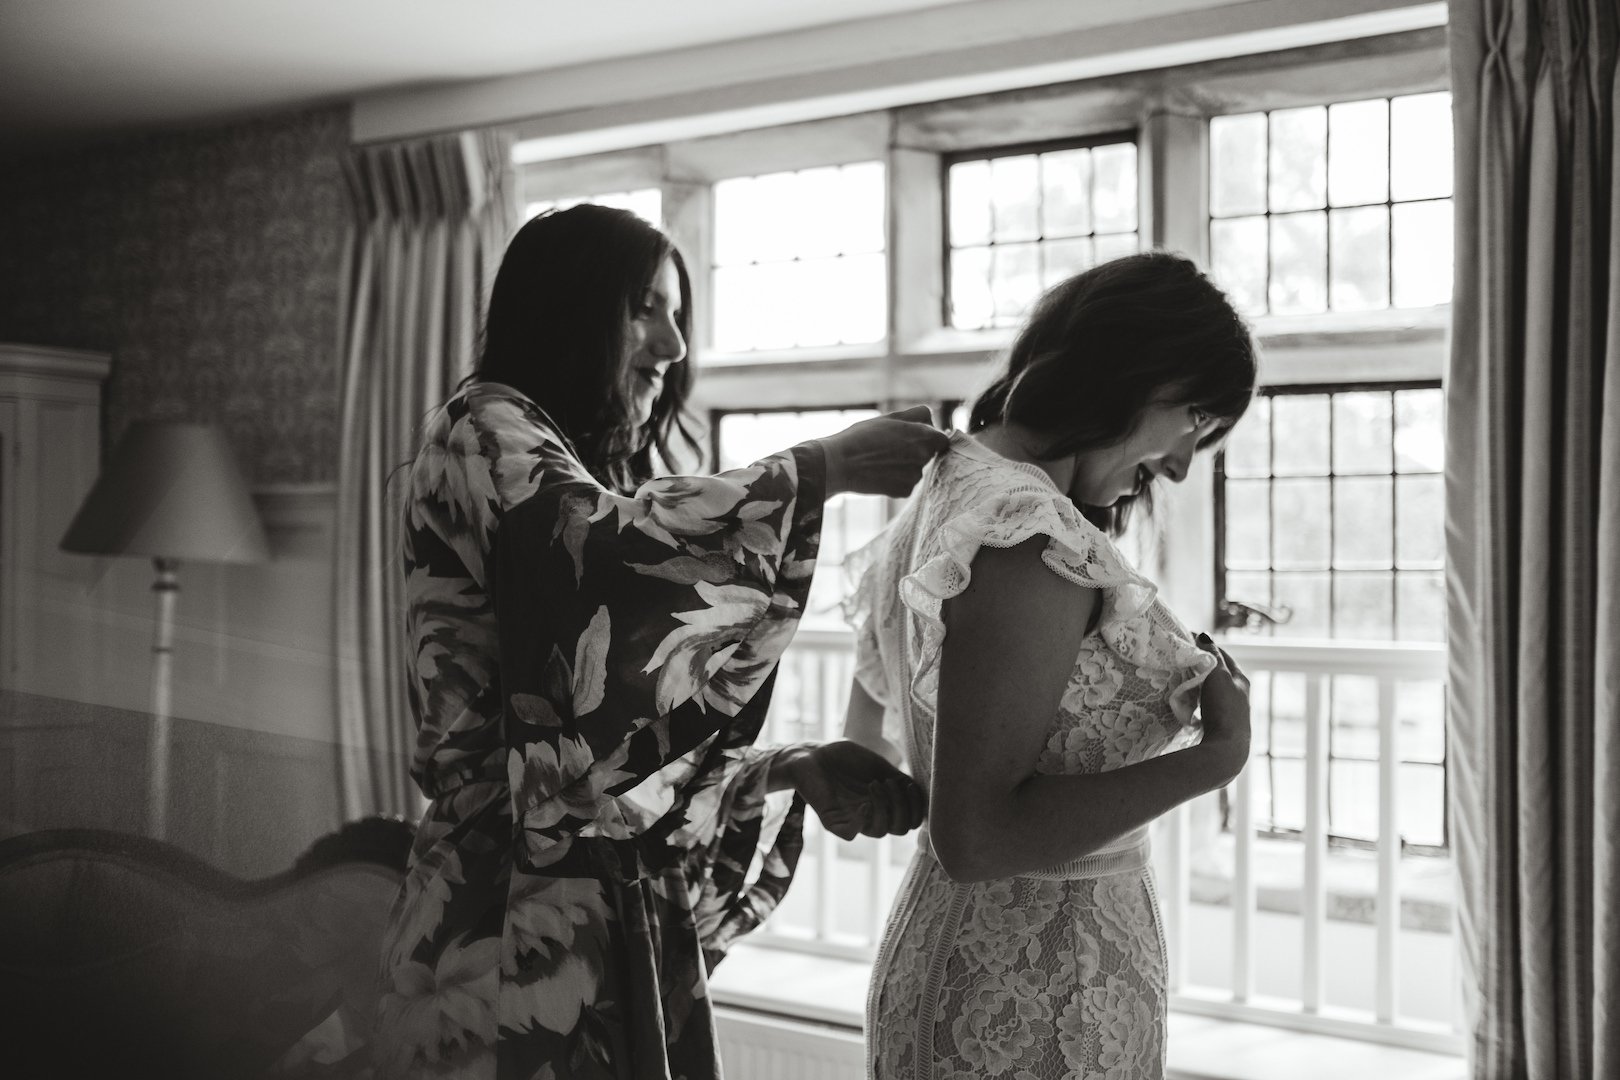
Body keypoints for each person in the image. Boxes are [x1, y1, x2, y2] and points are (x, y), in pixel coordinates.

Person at [374, 204, 944, 1079]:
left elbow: (605, 760)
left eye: (678, 316)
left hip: (591, 907)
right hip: (498, 908)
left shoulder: (572, 459)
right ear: (569, 309)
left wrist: (786, 768)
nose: (674, 347)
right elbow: (597, 552)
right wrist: (821, 468)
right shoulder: (481, 427)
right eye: (646, 309)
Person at [844, 252, 1258, 1079]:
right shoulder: (1026, 533)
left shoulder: (951, 484)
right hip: (1030, 1002)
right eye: (1196, 419)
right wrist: (1217, 757)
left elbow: (866, 742)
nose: (1182, 465)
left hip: (995, 966)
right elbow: (976, 836)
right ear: (1141, 371)